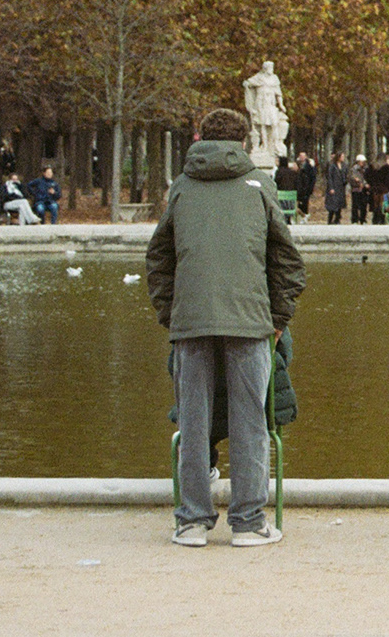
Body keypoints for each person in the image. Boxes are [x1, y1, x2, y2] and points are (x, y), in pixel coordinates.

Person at [146, 106, 305, 548]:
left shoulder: (182, 187)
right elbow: (287, 259)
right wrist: (277, 318)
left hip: (191, 321)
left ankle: (192, 521)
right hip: (250, 319)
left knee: (194, 424)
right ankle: (249, 522)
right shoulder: (258, 184)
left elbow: (158, 258)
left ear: (199, 137)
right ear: (245, 140)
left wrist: (170, 314)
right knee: (251, 422)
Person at [322, 151, 348, 224]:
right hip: (334, 186)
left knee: (339, 203)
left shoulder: (344, 165)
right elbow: (330, 177)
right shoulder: (332, 166)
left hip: (341, 187)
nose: (343, 158)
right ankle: (330, 219)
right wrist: (331, 187)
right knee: (333, 204)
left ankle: (337, 219)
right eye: (342, 156)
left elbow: (345, 175)